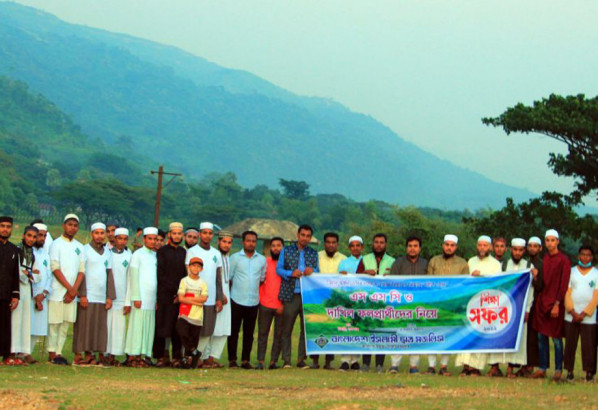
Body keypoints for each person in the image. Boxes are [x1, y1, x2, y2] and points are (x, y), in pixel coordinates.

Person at [488, 238, 537, 378]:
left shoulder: (529, 266)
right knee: (498, 337)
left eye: (520, 250)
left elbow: (530, 290)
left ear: (524, 251)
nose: (517, 253)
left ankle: (511, 368)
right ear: (510, 250)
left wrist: (527, 309)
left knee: (517, 338)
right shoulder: (503, 266)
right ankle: (495, 367)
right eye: (515, 250)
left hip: (520, 307)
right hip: (502, 308)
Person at [456, 235, 501, 376]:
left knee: (480, 337)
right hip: (470, 304)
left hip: (486, 304)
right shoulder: (470, 261)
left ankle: (476, 367)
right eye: (480, 245)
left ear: (490, 247)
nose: (482, 248)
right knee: (467, 335)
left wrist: (481, 276)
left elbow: (497, 283)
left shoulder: (495, 264)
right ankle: (466, 366)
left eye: (485, 245)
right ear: (477, 246)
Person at [73, 223, 116, 366]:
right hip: (87, 295)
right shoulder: (84, 250)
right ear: (91, 234)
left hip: (101, 296)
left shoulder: (108, 252)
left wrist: (109, 297)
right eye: (96, 233)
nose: (99, 236)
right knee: (83, 326)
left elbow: (109, 274)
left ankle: (92, 355)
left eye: (102, 233)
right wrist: (82, 294)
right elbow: (81, 273)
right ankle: (80, 355)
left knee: (98, 327)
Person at [277, 224, 319, 369]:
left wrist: (312, 271)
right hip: (290, 294)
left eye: (308, 236)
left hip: (307, 295)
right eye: (303, 235)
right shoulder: (286, 250)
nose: (305, 238)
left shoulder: (313, 253)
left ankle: (301, 359)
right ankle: (286, 360)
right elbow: (279, 269)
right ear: (298, 235)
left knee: (305, 329)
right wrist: (290, 273)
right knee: (287, 328)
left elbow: (317, 271)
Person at [426, 234, 469, 376]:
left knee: (448, 335)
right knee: (432, 335)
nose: (449, 248)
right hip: (435, 304)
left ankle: (444, 366)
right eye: (447, 245)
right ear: (443, 245)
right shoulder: (434, 261)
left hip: (453, 305)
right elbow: (428, 283)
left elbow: (465, 286)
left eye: (452, 245)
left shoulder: (463, 264)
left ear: (456, 247)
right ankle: (431, 366)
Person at [531, 229, 571, 381]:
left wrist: (557, 304)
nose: (550, 243)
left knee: (556, 338)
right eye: (547, 240)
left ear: (558, 241)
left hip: (555, 304)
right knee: (541, 337)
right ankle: (542, 368)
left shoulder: (564, 260)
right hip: (543, 303)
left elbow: (563, 284)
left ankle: (558, 370)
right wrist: (535, 277)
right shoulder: (545, 259)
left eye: (552, 240)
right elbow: (542, 284)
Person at [48, 214, 85, 365]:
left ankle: (59, 352)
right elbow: (55, 268)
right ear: (64, 226)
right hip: (57, 290)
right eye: (70, 224)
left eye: (75, 225)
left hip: (72, 293)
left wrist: (74, 290)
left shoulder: (80, 247)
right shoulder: (55, 244)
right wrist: (69, 289)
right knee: (54, 323)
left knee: (65, 324)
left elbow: (81, 270)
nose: (72, 228)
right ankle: (51, 352)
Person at [185, 222, 224, 366]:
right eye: (204, 233)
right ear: (200, 234)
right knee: (192, 329)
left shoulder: (216, 253)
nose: (207, 236)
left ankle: (198, 356)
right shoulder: (192, 251)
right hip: (194, 297)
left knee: (207, 329)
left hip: (211, 298)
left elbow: (218, 278)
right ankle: (190, 356)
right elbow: (187, 274)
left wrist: (219, 297)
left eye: (210, 233)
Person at [387, 236, 428, 374]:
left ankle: (413, 366)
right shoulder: (398, 263)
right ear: (406, 248)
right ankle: (394, 365)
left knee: (416, 334)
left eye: (415, 246)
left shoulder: (425, 264)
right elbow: (391, 283)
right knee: (398, 333)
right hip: (401, 305)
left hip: (419, 305)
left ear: (419, 248)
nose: (412, 248)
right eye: (410, 246)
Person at [228, 230, 267, 369]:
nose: (251, 243)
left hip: (253, 302)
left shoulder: (261, 259)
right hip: (236, 300)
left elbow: (261, 279)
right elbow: (229, 278)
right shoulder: (234, 258)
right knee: (234, 332)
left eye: (254, 241)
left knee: (249, 333)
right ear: (243, 242)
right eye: (248, 241)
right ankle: (232, 360)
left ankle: (245, 360)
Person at [357, 233, 395, 373]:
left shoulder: (392, 261)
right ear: (372, 244)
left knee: (382, 333)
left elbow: (398, 281)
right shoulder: (365, 259)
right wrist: (365, 273)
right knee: (367, 332)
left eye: (381, 242)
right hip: (367, 302)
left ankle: (380, 364)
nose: (379, 245)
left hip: (385, 302)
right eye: (376, 242)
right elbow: (355, 278)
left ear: (386, 244)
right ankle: (365, 363)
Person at [125, 227, 159, 367]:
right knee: (137, 327)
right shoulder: (137, 254)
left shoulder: (155, 255)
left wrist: (156, 299)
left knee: (147, 328)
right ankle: (133, 356)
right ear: (144, 239)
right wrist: (136, 297)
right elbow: (133, 277)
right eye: (150, 239)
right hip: (140, 298)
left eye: (154, 239)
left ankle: (143, 356)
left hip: (151, 299)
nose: (152, 241)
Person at [154, 222, 187, 368]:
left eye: (179, 234)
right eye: (174, 233)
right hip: (164, 295)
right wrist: (173, 291)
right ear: (169, 235)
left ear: (182, 235)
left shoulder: (183, 252)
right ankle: (160, 357)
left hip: (179, 297)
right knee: (161, 326)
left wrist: (179, 294)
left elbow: (185, 275)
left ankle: (177, 358)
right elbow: (160, 274)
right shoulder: (162, 252)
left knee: (177, 328)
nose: (177, 236)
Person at [311, 232, 346, 369]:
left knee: (331, 329)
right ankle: (315, 360)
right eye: (328, 242)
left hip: (335, 301)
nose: (331, 245)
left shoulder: (344, 259)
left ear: (337, 244)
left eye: (333, 242)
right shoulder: (316, 256)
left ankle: (328, 361)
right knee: (317, 327)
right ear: (324, 243)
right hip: (318, 298)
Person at [564, 245, 598, 382]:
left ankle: (589, 373)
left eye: (588, 255)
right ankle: (569, 372)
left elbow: (596, 297)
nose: (585, 257)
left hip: (589, 316)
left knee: (589, 345)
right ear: (579, 256)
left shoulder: (596, 273)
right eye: (583, 254)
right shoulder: (571, 271)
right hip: (571, 315)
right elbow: (566, 293)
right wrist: (573, 312)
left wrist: (584, 314)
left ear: (592, 257)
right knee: (570, 344)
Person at [201, 231, 233, 368]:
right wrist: (219, 295)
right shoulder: (213, 255)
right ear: (218, 242)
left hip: (227, 298)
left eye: (229, 242)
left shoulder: (228, 258)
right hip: (215, 297)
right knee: (210, 328)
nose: (226, 245)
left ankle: (212, 357)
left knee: (223, 329)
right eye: (224, 242)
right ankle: (203, 357)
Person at [516, 236, 544, 377]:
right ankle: (524, 364)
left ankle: (531, 365)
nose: (532, 249)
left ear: (540, 248)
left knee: (534, 337)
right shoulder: (525, 264)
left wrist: (536, 277)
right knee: (524, 336)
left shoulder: (542, 264)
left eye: (535, 246)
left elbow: (540, 286)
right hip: (524, 303)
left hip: (537, 304)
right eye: (530, 246)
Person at [12, 226, 40, 365]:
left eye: (34, 237)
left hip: (27, 289)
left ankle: (23, 352)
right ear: (23, 235)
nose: (31, 239)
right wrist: (30, 274)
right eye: (29, 236)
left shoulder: (32, 254)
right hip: (16, 288)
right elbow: (17, 272)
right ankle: (13, 352)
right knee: (15, 321)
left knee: (25, 321)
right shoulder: (17, 251)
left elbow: (38, 276)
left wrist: (29, 274)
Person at [104, 227, 132, 366]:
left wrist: (128, 301)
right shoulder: (107, 254)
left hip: (122, 297)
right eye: (119, 238)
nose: (122, 241)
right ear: (114, 239)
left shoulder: (129, 255)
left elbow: (130, 279)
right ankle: (104, 354)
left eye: (125, 239)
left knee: (118, 328)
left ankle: (113, 355)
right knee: (106, 326)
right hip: (108, 297)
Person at [257, 236, 284, 370]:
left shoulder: (287, 265)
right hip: (264, 304)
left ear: (283, 248)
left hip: (280, 306)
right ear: (270, 248)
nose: (276, 248)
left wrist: (283, 304)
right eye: (273, 246)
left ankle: (273, 361)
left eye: (278, 246)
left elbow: (289, 286)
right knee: (262, 334)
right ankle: (260, 361)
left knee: (278, 335)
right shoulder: (265, 262)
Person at [176, 257, 208, 369]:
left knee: (194, 338)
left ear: (201, 269)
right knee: (182, 331)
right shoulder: (184, 281)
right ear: (188, 267)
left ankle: (190, 362)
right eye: (193, 266)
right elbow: (181, 298)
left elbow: (204, 299)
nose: (195, 268)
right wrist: (196, 301)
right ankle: (195, 352)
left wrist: (188, 298)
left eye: (198, 266)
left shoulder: (203, 283)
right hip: (184, 312)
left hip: (197, 315)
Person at [338, 235, 364, 371]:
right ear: (349, 248)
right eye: (352, 246)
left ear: (362, 247)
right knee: (346, 330)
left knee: (358, 331)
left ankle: (355, 360)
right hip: (347, 300)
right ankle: (345, 360)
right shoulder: (343, 263)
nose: (355, 248)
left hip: (361, 301)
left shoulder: (367, 262)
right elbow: (339, 282)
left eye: (358, 245)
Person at [31, 223, 52, 362]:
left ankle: (28, 352)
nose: (42, 238)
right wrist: (35, 296)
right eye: (39, 235)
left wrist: (44, 294)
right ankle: (21, 353)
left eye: (44, 236)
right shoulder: (26, 252)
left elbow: (49, 276)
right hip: (30, 296)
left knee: (38, 326)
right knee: (28, 325)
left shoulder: (46, 254)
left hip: (42, 296)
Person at [0, 216, 20, 365]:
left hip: (6, 293)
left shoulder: (14, 250)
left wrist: (15, 295)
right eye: (2, 226)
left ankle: (6, 356)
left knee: (5, 325)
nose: (5, 229)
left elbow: (15, 274)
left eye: (8, 226)